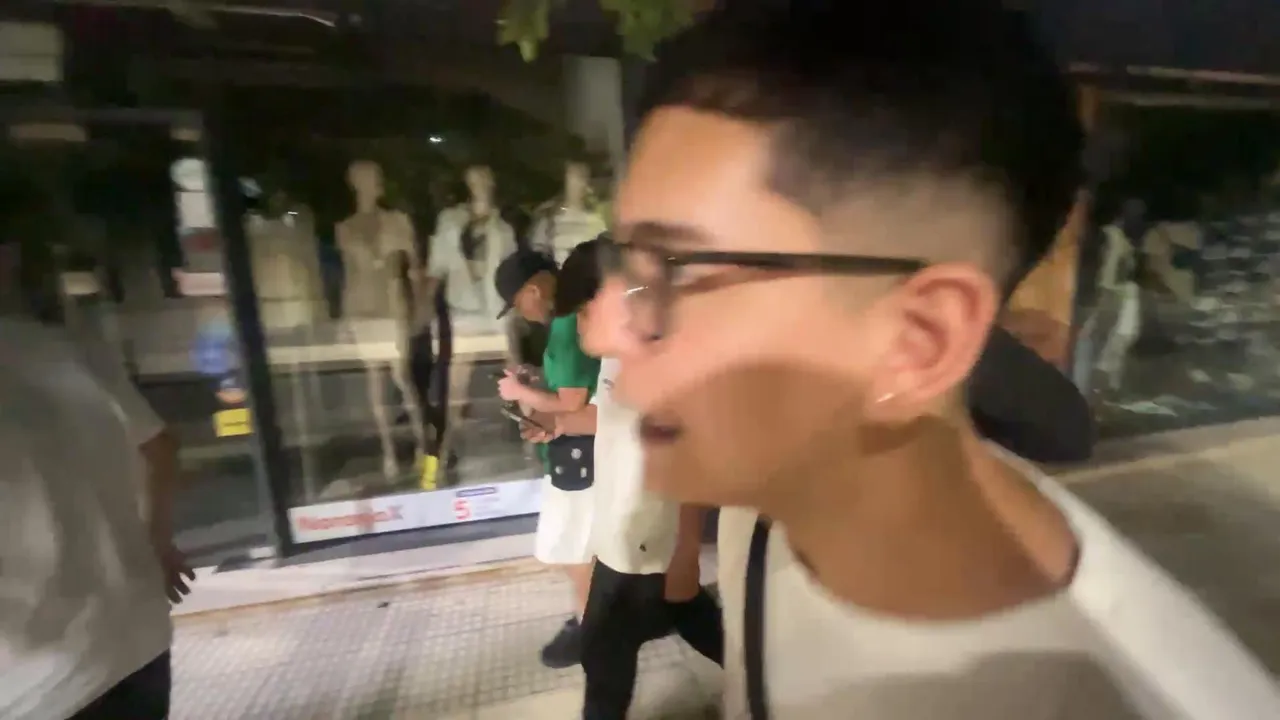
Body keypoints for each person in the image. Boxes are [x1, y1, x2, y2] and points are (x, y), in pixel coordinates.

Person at [597, 2, 1280, 719]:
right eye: (626, 263)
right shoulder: (772, 498)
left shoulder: (1137, 698)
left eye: (675, 268)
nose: (604, 331)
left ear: (919, 339)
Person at [0, 316, 193, 720]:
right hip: (135, 640)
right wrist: (158, 544)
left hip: (36, 683)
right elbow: (160, 447)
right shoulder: (69, 345)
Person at [494, 248, 602, 668]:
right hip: (574, 451)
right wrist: (536, 382)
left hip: (581, 457)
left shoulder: (567, 325)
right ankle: (593, 623)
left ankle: (592, 631)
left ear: (534, 290)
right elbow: (572, 392)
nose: (522, 313)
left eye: (518, 303)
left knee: (577, 552)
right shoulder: (570, 323)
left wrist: (520, 392)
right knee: (576, 551)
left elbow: (572, 403)